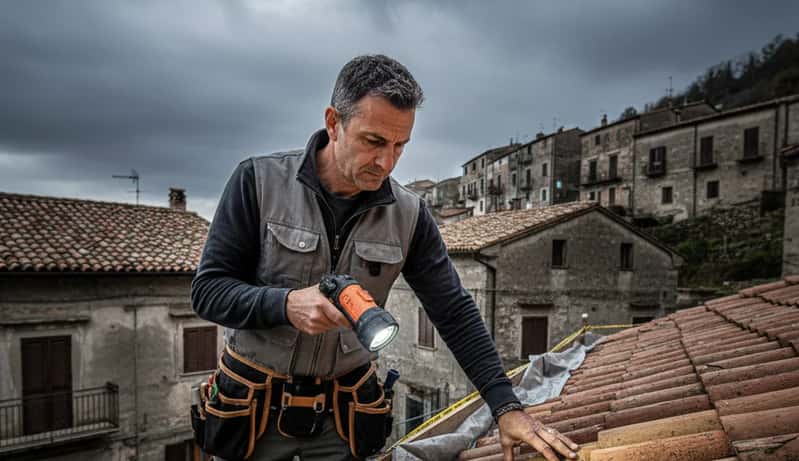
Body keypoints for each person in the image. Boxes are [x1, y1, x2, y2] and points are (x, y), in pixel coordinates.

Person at [192, 54, 578, 461]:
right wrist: (285, 304)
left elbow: (453, 310)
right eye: (374, 141)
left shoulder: (410, 214)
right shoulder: (257, 182)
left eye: (400, 146)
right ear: (333, 122)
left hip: (344, 421)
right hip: (252, 417)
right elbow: (208, 291)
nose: (386, 162)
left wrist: (506, 407)